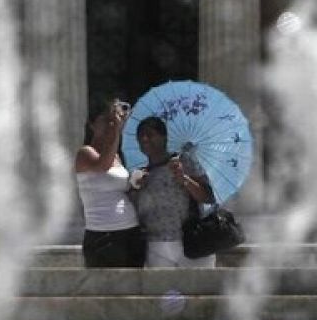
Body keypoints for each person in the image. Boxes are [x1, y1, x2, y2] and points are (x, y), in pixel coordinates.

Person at [130, 116, 216, 268]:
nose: (144, 139)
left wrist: (184, 179)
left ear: (164, 137)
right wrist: (136, 189)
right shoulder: (140, 175)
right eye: (140, 136)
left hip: (190, 241)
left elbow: (208, 197)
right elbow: (135, 212)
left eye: (150, 134)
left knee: (197, 284)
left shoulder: (184, 161)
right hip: (156, 245)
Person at [74, 100, 146, 267]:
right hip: (102, 234)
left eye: (113, 120)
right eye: (106, 120)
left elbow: (120, 190)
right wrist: (116, 131)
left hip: (130, 232)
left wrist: (135, 184)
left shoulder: (116, 156)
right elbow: (102, 166)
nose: (111, 124)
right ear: (92, 125)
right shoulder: (84, 153)